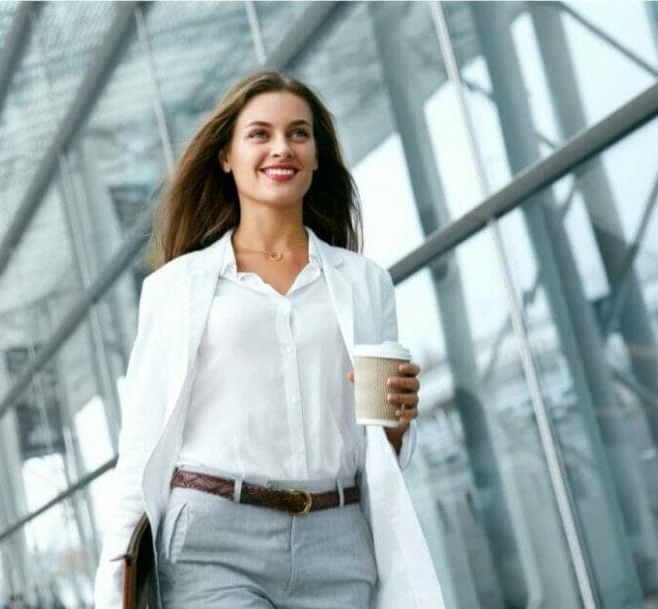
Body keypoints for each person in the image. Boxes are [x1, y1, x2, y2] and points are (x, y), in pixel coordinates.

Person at [94, 70, 443, 609]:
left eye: (299, 134)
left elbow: (377, 442)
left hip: (339, 541)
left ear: (317, 155)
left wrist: (397, 421)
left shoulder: (364, 282)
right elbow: (141, 442)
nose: (282, 147)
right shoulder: (175, 288)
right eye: (260, 134)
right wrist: (113, 576)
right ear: (226, 156)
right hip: (213, 542)